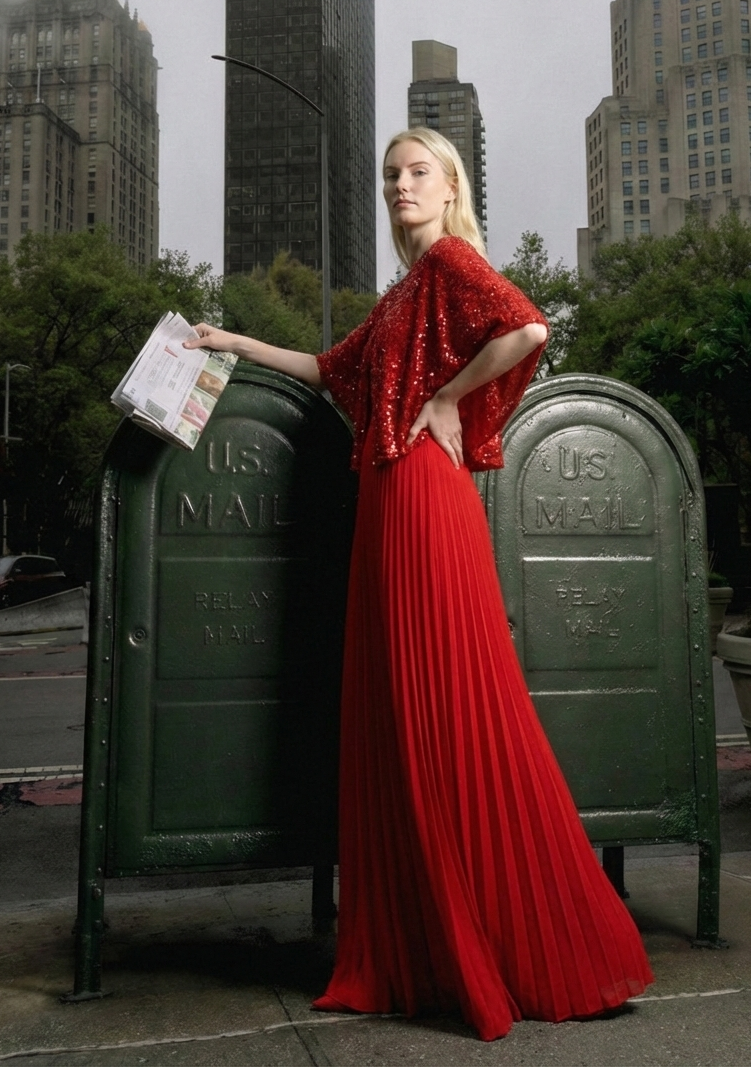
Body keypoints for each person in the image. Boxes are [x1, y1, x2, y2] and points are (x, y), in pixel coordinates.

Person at [184, 127, 653, 1041]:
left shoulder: (449, 262)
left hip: (422, 497)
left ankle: (519, 940)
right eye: (393, 174)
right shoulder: (406, 290)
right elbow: (330, 370)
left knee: (450, 702)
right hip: (389, 501)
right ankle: (432, 940)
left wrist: (445, 399)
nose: (401, 185)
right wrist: (228, 340)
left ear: (450, 189)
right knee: (405, 711)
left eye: (418, 173)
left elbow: (527, 325)